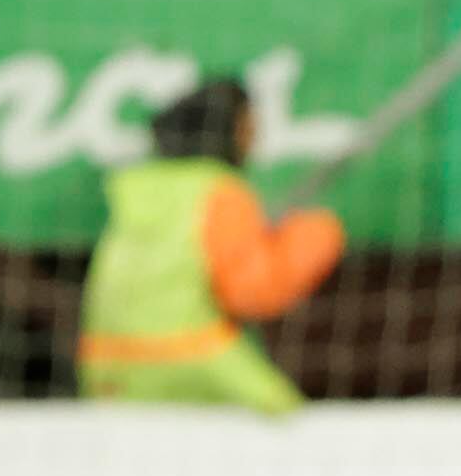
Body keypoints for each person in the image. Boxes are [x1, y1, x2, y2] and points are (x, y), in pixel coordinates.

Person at [77, 75, 346, 415]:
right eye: (251, 127)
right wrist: (315, 236)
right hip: (190, 355)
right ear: (232, 130)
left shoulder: (137, 189)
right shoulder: (219, 192)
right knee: (287, 421)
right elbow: (253, 291)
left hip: (107, 365)